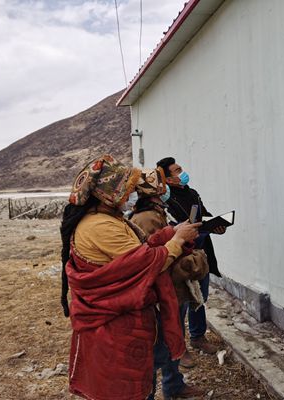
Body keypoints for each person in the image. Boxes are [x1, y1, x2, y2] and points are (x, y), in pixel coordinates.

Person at [59, 154, 201, 400]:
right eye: (124, 191)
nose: (129, 196)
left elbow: (140, 249)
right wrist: (177, 241)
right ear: (107, 193)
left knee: (138, 376)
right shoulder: (100, 226)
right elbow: (144, 263)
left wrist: (171, 233)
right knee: (125, 385)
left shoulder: (107, 219)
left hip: (121, 319)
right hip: (114, 323)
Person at [130, 186, 208, 399]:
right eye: (161, 188)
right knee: (159, 350)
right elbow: (155, 262)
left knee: (173, 339)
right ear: (153, 194)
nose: (166, 191)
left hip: (172, 291)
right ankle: (152, 392)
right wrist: (192, 262)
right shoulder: (146, 218)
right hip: (163, 292)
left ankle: (174, 385)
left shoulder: (158, 213)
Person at [156, 157, 225, 368]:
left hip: (201, 254)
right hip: (182, 257)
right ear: (168, 179)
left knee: (200, 298)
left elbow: (203, 215)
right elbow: (172, 227)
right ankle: (180, 347)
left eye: (181, 168)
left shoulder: (192, 193)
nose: (182, 173)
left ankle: (198, 336)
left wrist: (216, 224)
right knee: (181, 303)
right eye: (177, 171)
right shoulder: (165, 200)